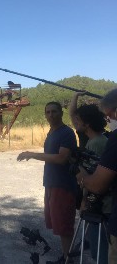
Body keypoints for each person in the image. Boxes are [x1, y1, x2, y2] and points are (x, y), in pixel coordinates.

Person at [17, 101, 77, 264]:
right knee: (57, 222)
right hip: (50, 183)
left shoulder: (66, 132)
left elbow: (62, 158)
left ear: (61, 113)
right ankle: (66, 256)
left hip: (63, 185)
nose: (50, 115)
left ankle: (68, 259)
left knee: (64, 225)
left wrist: (33, 154)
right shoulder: (51, 132)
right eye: (48, 112)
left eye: (54, 112)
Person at [76, 88, 117, 264]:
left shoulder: (103, 142)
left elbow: (98, 184)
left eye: (109, 116)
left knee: (101, 254)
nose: (108, 121)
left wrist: (81, 175)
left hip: (104, 210)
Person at [69, 92, 109, 263]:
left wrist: (84, 199)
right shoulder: (101, 139)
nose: (75, 123)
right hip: (102, 205)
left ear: (87, 124)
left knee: (100, 253)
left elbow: (94, 177)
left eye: (78, 120)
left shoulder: (95, 144)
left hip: (100, 207)